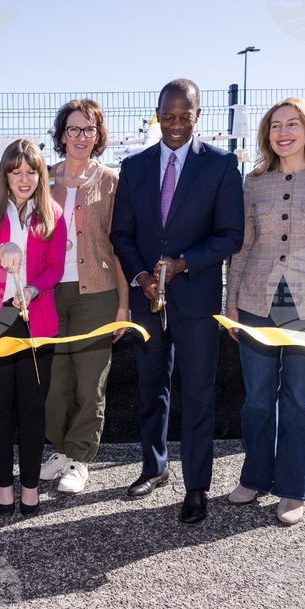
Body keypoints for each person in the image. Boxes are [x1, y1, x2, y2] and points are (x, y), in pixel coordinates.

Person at [109, 79, 244, 525]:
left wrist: (184, 264)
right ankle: (154, 467)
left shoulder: (222, 166)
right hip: (147, 298)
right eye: (168, 116)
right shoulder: (135, 167)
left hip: (196, 297)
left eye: (185, 116)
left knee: (200, 395)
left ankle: (196, 487)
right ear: (157, 114)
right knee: (152, 388)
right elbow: (122, 235)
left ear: (198, 115)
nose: (176, 124)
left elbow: (230, 235)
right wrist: (142, 275)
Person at [225, 97, 305, 525]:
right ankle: (254, 476)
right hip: (256, 302)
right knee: (258, 397)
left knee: (301, 397)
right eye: (275, 125)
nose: (283, 132)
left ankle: (294, 488)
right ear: (267, 135)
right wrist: (232, 302)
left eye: (292, 124)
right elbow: (243, 248)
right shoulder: (254, 182)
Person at [40, 99, 129, 494]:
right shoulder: (42, 178)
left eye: (89, 129)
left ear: (98, 136)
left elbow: (121, 245)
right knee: (54, 380)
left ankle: (80, 457)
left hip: (100, 293)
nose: (80, 137)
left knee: (90, 381)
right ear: (62, 135)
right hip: (49, 291)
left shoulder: (112, 181)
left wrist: (124, 304)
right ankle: (58, 449)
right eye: (73, 129)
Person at [0, 139, 66, 517]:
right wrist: (3, 250)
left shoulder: (53, 212)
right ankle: (3, 486)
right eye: (16, 171)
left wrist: (32, 288)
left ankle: (30, 486)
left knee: (31, 409)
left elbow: (56, 268)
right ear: (5, 175)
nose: (24, 179)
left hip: (36, 318)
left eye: (31, 171)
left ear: (41, 174)